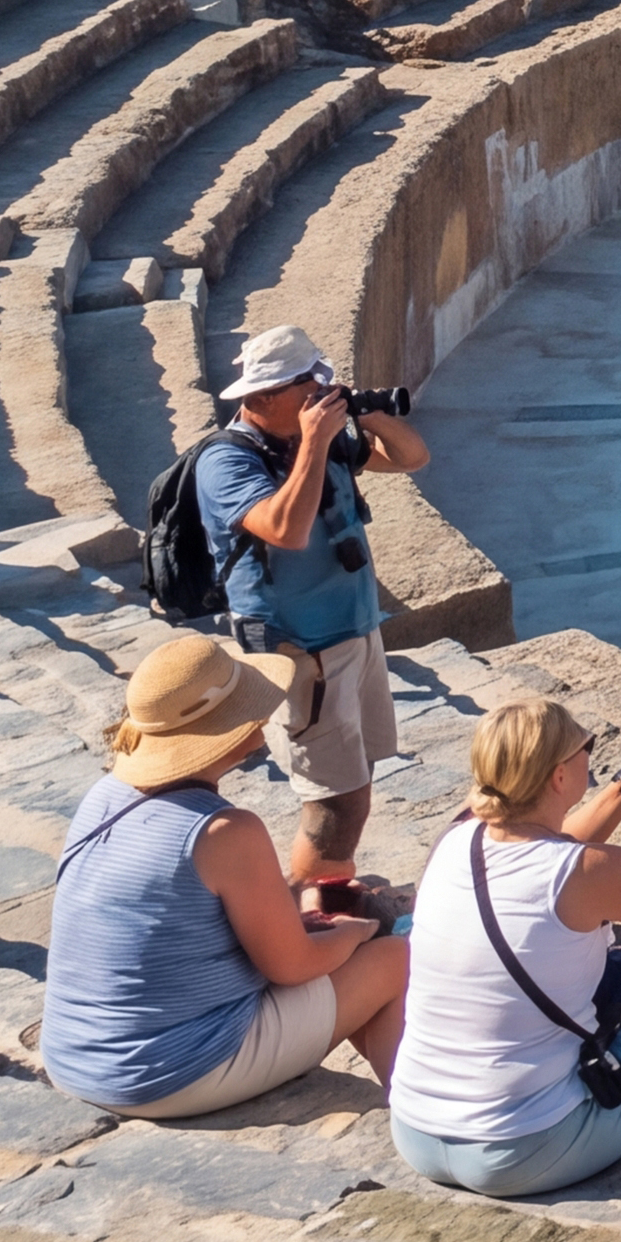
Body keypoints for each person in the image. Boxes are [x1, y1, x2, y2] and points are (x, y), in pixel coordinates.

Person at [387, 697, 621, 1199]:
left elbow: (547, 847)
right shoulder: (583, 874)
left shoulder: (456, 840)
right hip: (520, 1149)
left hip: (415, 1130)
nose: (590, 758)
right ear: (559, 777)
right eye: (587, 747)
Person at [41, 636, 406, 1120]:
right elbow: (292, 967)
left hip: (73, 1057)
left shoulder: (104, 796)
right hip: (166, 1073)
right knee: (398, 956)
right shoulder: (225, 831)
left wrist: (306, 910)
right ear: (228, 729)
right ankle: (425, 1112)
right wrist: (356, 933)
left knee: (343, 943)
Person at [191, 327, 429, 903]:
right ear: (267, 393)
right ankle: (306, 897)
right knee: (333, 797)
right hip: (299, 647)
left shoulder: (309, 441)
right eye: (309, 383)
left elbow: (413, 457)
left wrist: (366, 414)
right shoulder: (226, 462)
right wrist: (317, 443)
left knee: (360, 775)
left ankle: (328, 887)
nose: (320, 391)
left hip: (353, 629)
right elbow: (286, 530)